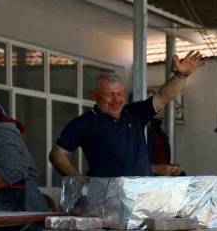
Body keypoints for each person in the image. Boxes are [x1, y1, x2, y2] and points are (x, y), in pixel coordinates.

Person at [50, 51, 204, 178]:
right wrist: (77, 178)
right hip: (107, 197)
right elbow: (57, 154)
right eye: (109, 94)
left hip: (143, 193)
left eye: (120, 94)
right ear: (94, 96)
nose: (116, 100)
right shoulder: (85, 122)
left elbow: (164, 96)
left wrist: (181, 76)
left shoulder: (134, 113)